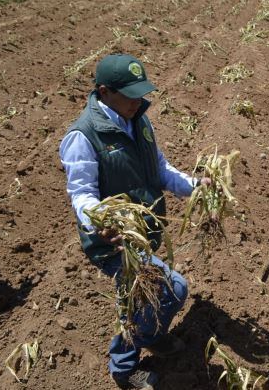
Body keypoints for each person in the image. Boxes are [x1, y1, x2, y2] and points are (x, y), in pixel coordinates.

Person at [60, 53, 205, 389]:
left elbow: (161, 170)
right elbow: (81, 194)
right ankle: (123, 370)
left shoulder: (139, 119)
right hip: (116, 242)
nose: (137, 101)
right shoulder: (83, 136)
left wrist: (196, 187)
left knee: (150, 295)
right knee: (168, 289)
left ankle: (150, 336)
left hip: (145, 232)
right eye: (129, 94)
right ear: (104, 91)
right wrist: (100, 222)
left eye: (140, 93)